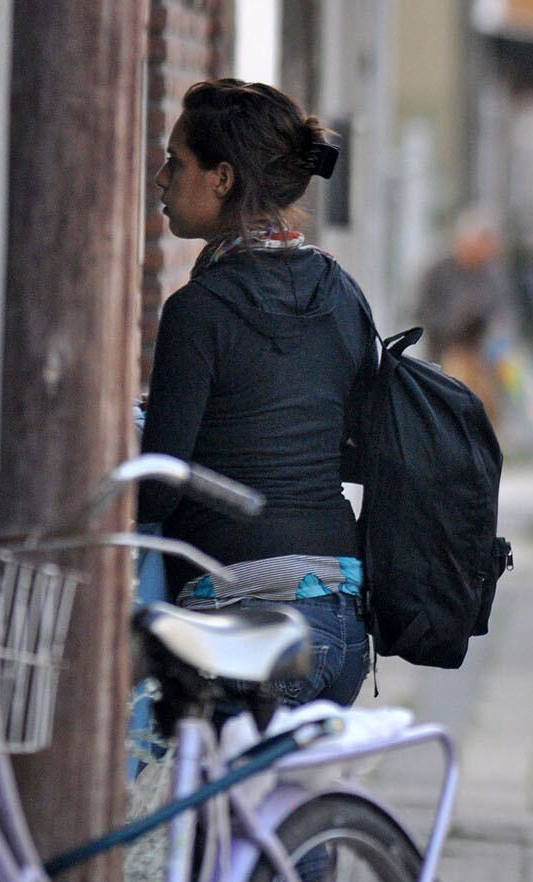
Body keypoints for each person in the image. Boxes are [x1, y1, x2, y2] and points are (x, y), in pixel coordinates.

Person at [140, 78, 373, 711]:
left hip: (243, 624)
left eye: (175, 162)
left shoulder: (198, 311)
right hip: (343, 620)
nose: (161, 180)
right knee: (267, 809)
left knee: (204, 806)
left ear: (221, 179)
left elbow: (158, 489)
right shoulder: (342, 293)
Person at [415, 210, 507, 426]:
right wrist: (456, 321)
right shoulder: (438, 271)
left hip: (482, 350)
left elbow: (502, 311)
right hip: (447, 350)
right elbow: (423, 310)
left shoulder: (490, 275)